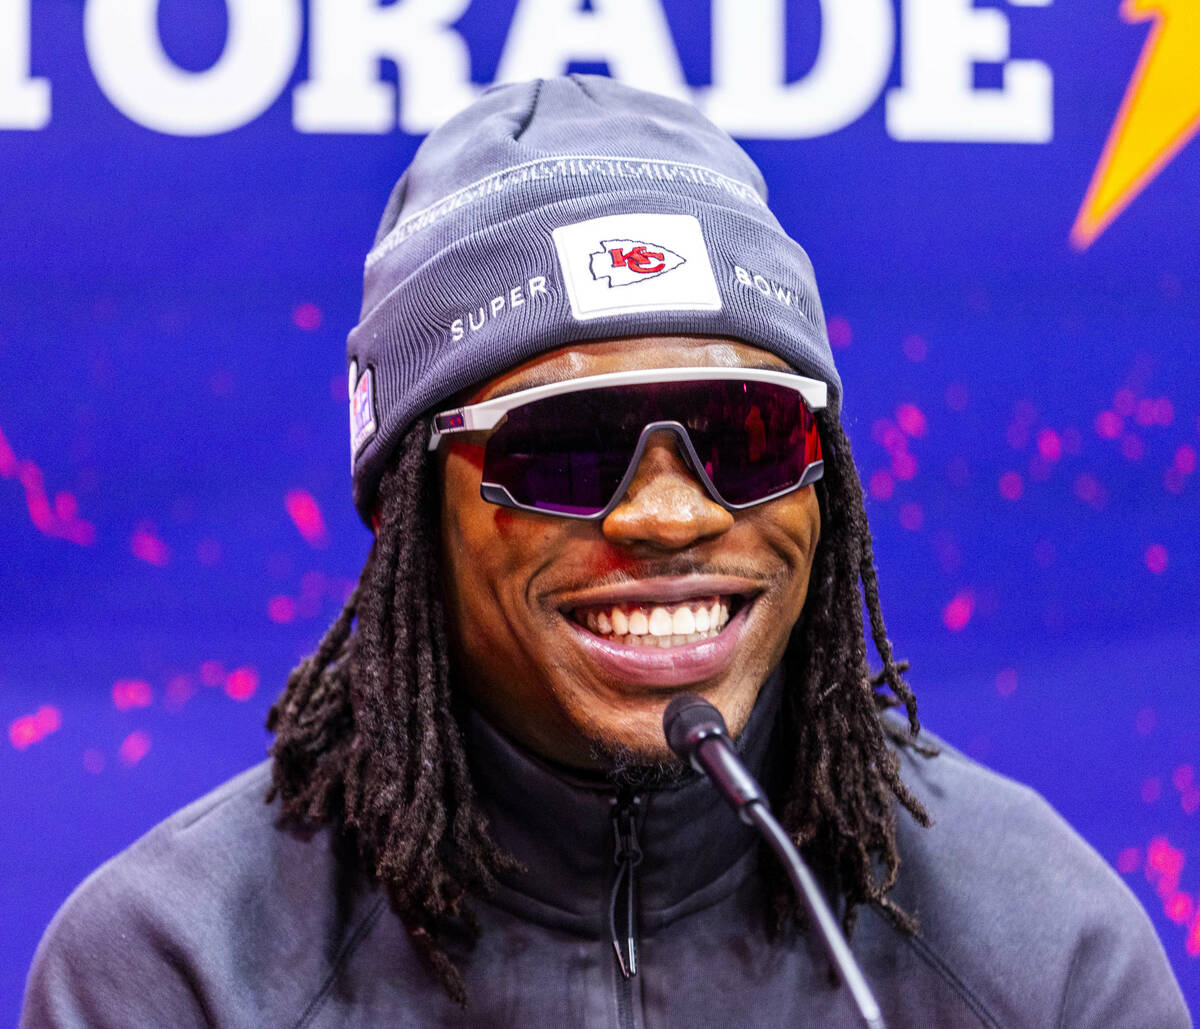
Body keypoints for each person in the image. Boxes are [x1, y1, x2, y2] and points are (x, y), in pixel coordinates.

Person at [24, 76, 1188, 1028]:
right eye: (571, 447)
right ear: (406, 509)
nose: (671, 518)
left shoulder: (1039, 951)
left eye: (745, 432)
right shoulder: (177, 973)